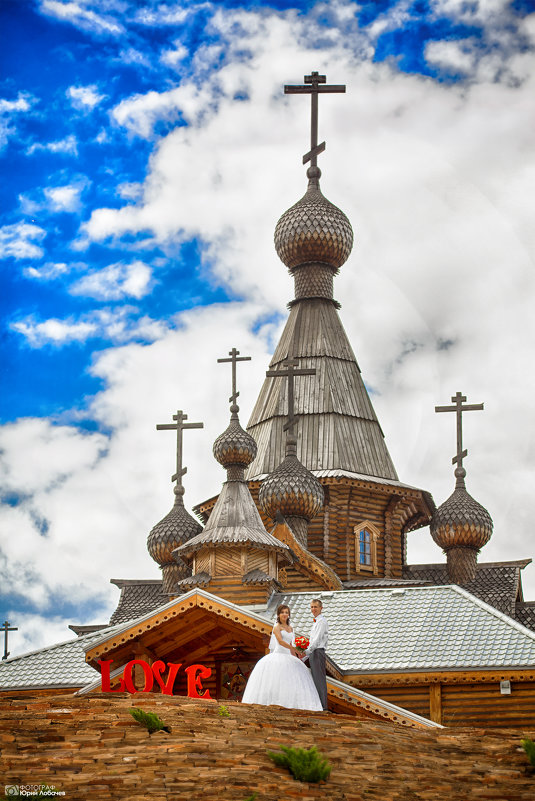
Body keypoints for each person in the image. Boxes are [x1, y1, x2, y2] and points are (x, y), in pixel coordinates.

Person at [241, 604, 322, 711]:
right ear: (278, 614)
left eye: (286, 612)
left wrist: (298, 655)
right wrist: (294, 649)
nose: (284, 614)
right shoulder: (276, 627)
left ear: (289, 615)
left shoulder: (291, 628)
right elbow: (280, 642)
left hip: (289, 656)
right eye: (282, 612)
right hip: (278, 654)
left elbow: (291, 644)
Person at [304, 598, 329, 710]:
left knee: (319, 679)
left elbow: (317, 641)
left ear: (321, 608)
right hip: (314, 652)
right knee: (315, 678)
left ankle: (323, 707)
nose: (313, 609)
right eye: (312, 607)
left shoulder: (321, 622)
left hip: (317, 652)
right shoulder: (316, 622)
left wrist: (307, 652)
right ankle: (318, 705)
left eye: (315, 607)